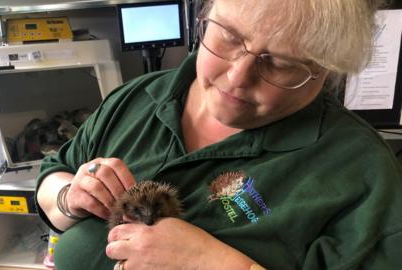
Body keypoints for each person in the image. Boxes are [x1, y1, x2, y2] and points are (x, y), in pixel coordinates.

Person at [36, 0, 402, 269]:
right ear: (205, 16)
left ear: (325, 70)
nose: (237, 77)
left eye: (280, 63)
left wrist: (214, 263)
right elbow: (53, 178)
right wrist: (70, 196)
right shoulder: (137, 98)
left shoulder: (362, 175)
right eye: (228, 37)